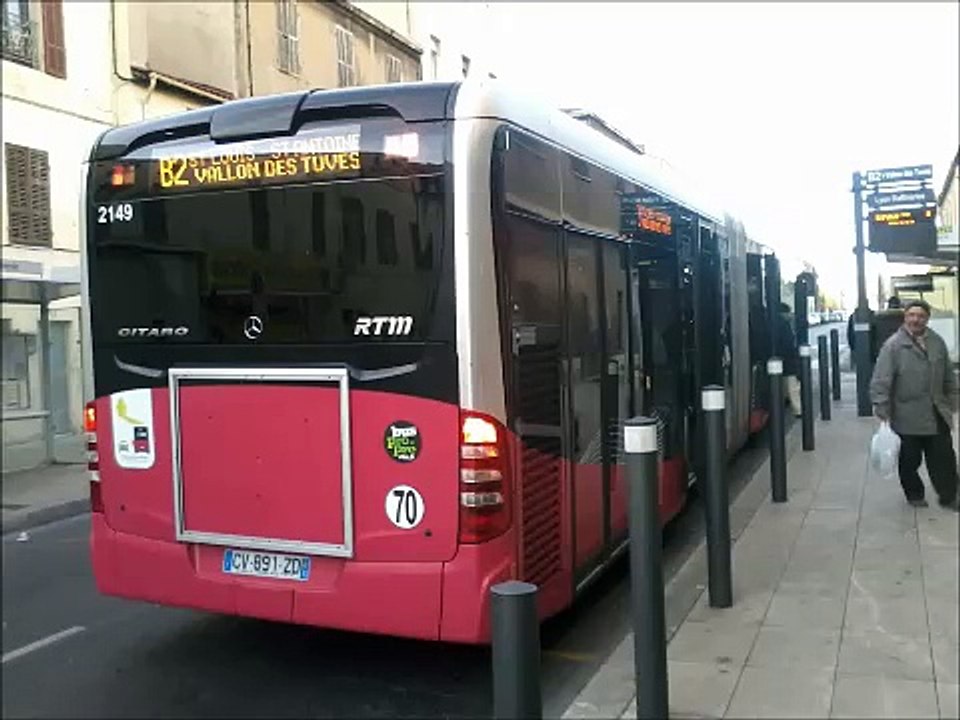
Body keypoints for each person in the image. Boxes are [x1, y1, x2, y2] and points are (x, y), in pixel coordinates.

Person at [870, 299, 959, 511]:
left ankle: (950, 496)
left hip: (937, 411)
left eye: (920, 316)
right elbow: (881, 379)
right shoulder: (893, 346)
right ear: (905, 318)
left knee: (944, 457)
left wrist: (953, 398)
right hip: (906, 414)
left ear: (927, 319)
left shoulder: (936, 342)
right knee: (909, 460)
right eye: (911, 315)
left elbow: (948, 374)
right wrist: (881, 406)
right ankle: (914, 494)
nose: (915, 320)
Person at [776, 303, 802, 416]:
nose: (790, 315)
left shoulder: (779, 323)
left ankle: (789, 405)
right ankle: (798, 409)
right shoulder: (784, 324)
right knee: (792, 386)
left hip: (781, 359)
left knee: (786, 384)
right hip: (788, 358)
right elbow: (788, 342)